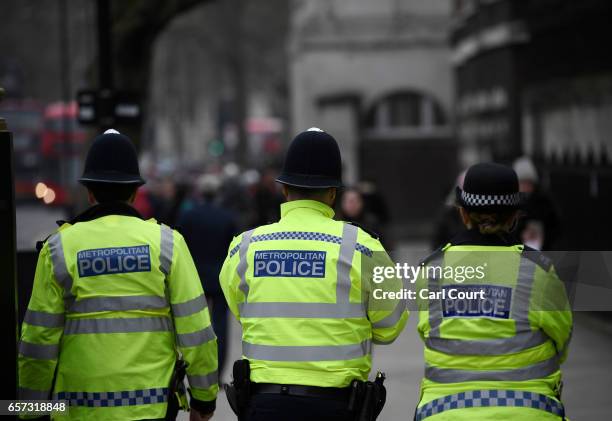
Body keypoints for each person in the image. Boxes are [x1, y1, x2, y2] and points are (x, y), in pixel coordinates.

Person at [18, 130, 218, 421]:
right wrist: (204, 400)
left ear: (89, 192)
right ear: (135, 192)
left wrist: (30, 410)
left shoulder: (59, 248)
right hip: (152, 409)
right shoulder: (167, 244)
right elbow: (197, 332)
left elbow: (38, 340)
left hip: (78, 411)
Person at [219, 128, 408, 421]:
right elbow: (391, 324)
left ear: (283, 189)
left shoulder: (244, 247)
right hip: (335, 406)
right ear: (333, 193)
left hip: (264, 404)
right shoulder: (363, 247)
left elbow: (241, 309)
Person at [414, 162, 573, 420]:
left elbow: (429, 335)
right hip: (530, 411)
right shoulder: (539, 272)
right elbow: (562, 341)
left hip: (443, 412)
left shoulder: (430, 270)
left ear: (463, 213)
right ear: (513, 217)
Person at [177, 173, 238, 379]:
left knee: (196, 325)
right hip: (220, 276)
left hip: (195, 277)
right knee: (220, 325)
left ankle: (199, 371)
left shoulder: (189, 216)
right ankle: (218, 371)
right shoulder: (227, 217)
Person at [513, 156, 561, 250]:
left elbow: (555, 226)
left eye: (528, 183)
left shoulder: (544, 202)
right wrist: (521, 233)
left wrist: (543, 236)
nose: (525, 187)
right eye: (522, 183)